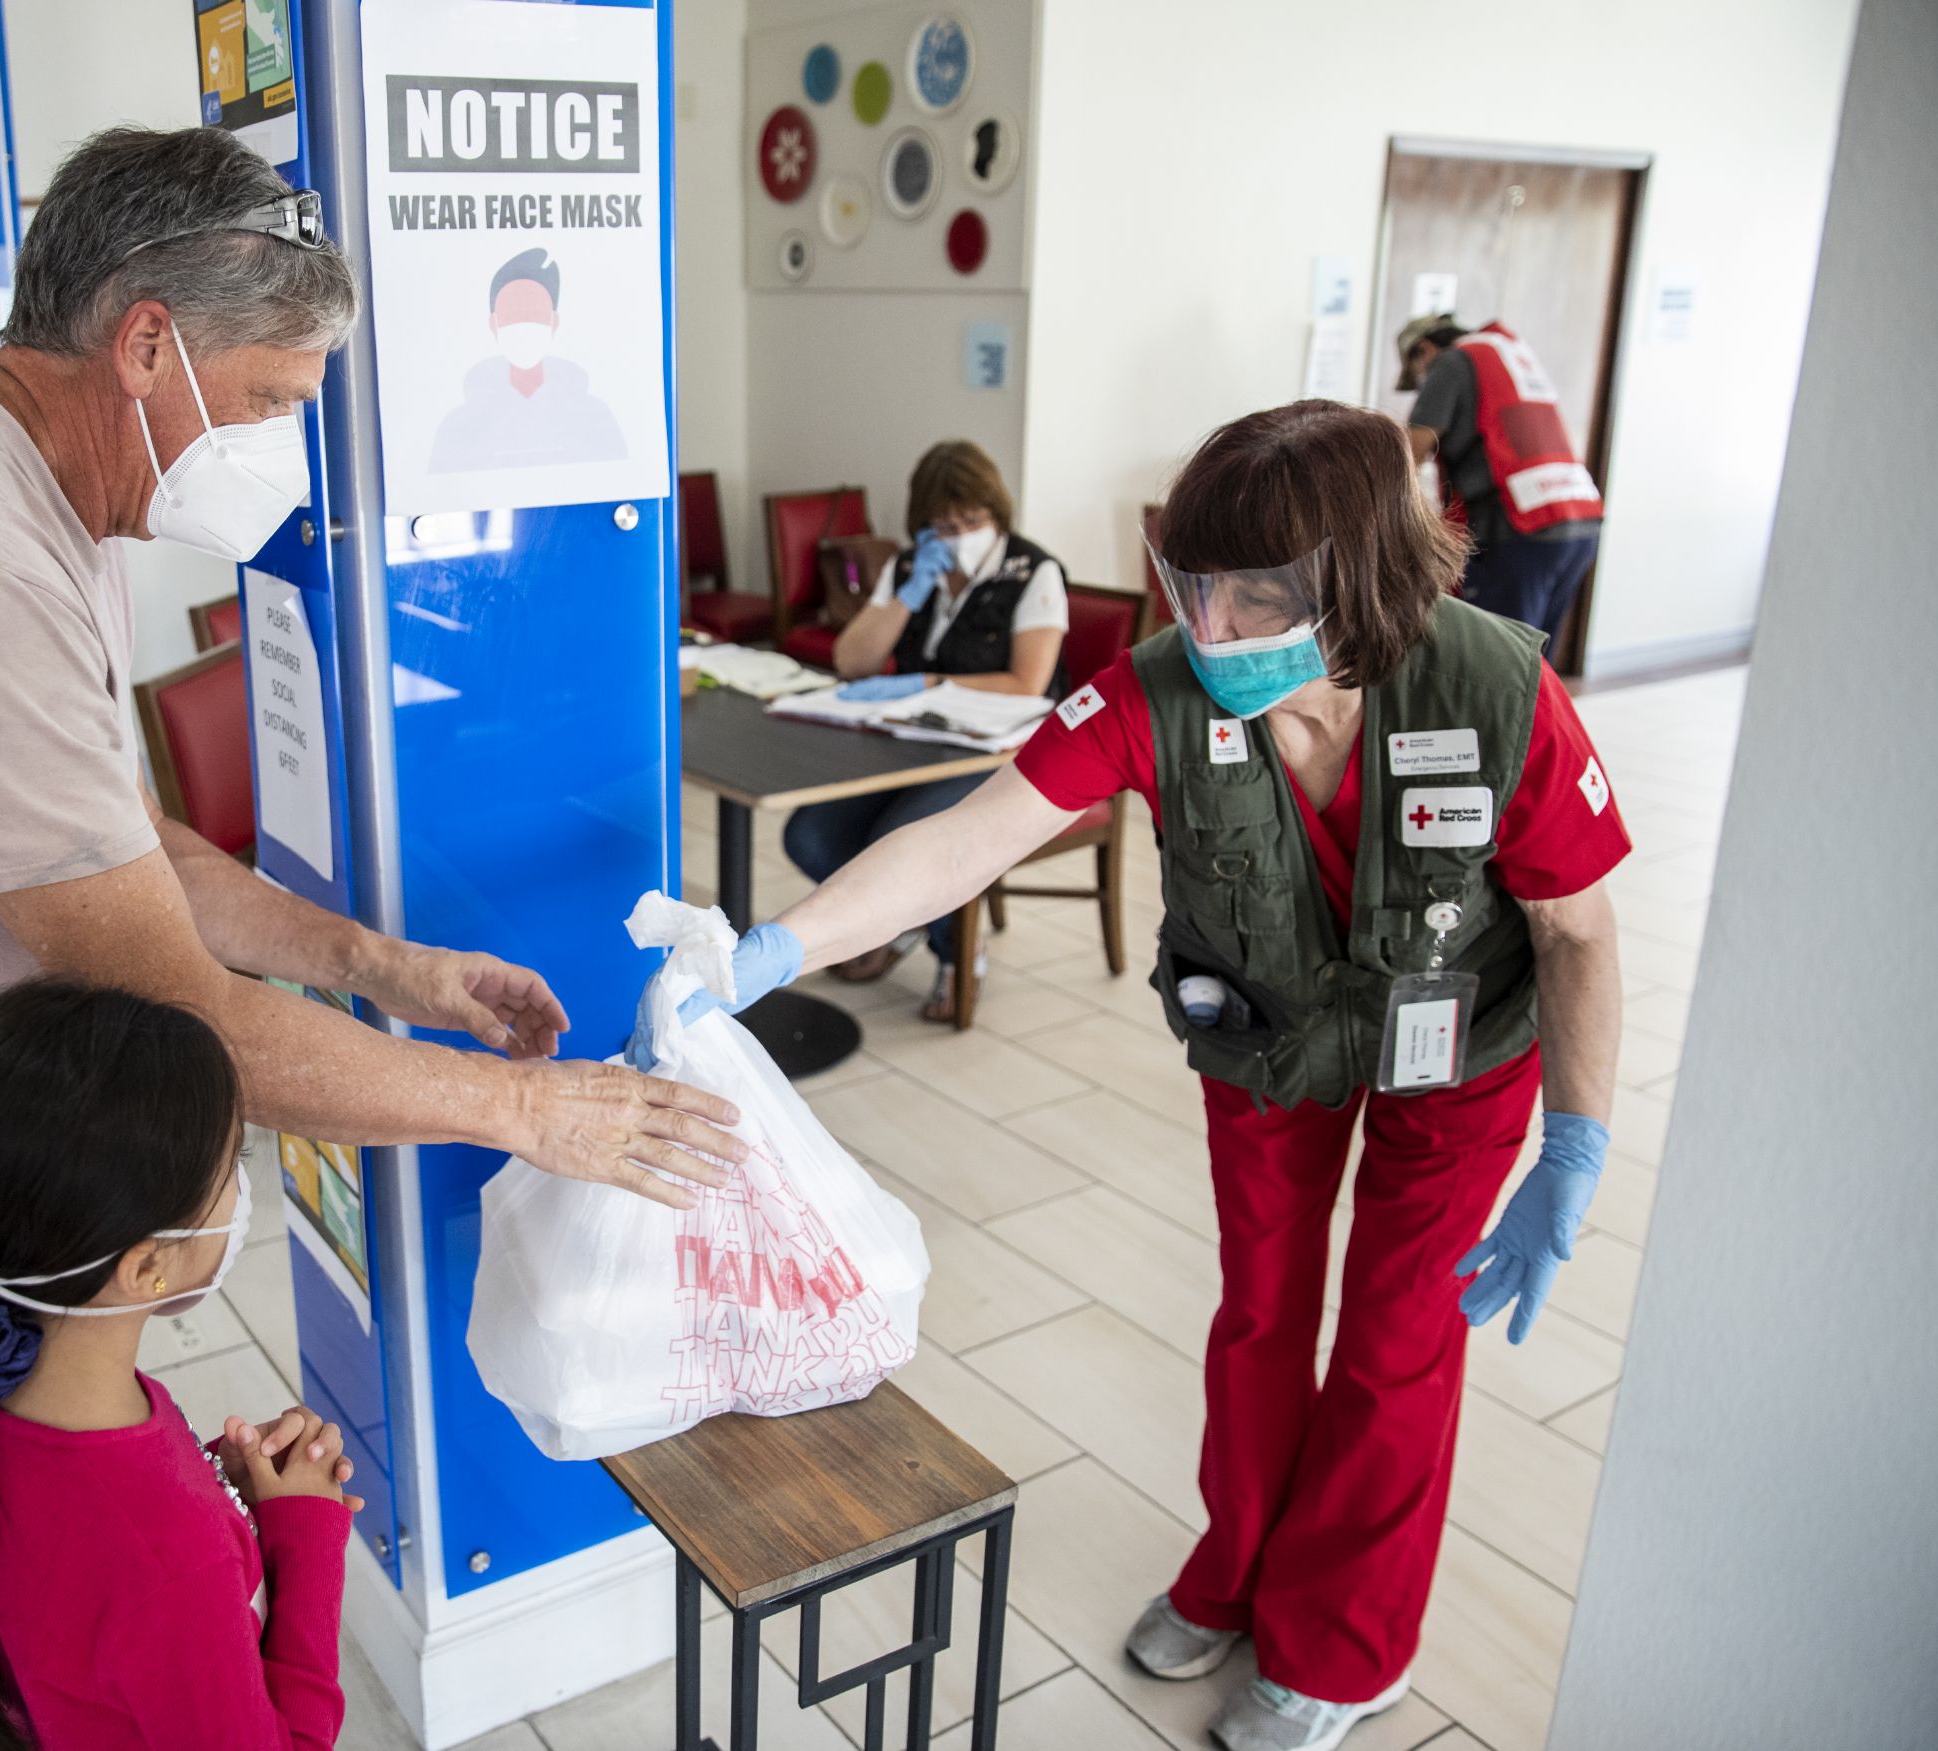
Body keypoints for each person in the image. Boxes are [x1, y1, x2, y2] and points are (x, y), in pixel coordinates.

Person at [0, 125, 744, 1749]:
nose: (281, 443)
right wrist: (534, 1113)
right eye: (272, 398)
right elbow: (169, 1000)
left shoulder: (0, 491)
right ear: (146, 345)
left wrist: (382, 965)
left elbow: (127, 856)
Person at [641, 402, 1630, 1751]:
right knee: (1261, 1311)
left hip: (1455, 1057)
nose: (1211, 629)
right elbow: (967, 840)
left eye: (1254, 597)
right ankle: (1236, 1574)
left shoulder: (1499, 688)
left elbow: (1577, 925)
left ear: (1356, 585)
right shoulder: (1161, 685)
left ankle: (1344, 1645)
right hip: (1269, 1040)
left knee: (1400, 1337)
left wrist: (1576, 1137)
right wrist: (768, 949)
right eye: (1193, 585)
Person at [0, 978, 355, 1751]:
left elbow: (88, 1588)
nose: (240, 1192)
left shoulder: (1, 1393)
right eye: (228, 1169)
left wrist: (221, 1489)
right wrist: (307, 1536)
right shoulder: (169, 1564)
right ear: (146, 1269)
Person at [786, 439, 1069, 1021]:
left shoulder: (1033, 570)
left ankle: (956, 950)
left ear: (997, 514)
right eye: (945, 524)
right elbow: (853, 661)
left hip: (995, 754)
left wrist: (929, 684)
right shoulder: (912, 566)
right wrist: (905, 598)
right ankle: (898, 920)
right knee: (809, 835)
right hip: (910, 744)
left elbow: (1029, 683)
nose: (961, 533)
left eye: (974, 520)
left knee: (905, 837)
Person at [1397, 313, 1606, 644]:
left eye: (1417, 375)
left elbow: (1410, 453)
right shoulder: (1507, 353)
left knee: (1501, 655)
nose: (1422, 383)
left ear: (1424, 349)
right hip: (1579, 518)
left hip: (1522, 527)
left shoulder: (1452, 361)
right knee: (1533, 659)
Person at [429, 247, 628, 471]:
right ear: (493, 324)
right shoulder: (459, 427)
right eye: (512, 315)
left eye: (534, 313)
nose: (523, 325)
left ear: (554, 322)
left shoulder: (594, 418)